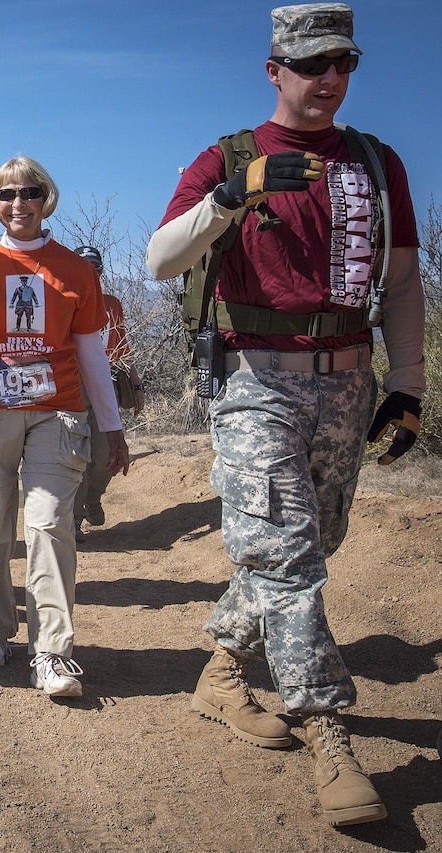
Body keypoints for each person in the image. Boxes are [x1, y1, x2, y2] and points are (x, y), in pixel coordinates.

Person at [146, 3, 425, 827]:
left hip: (347, 379)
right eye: (312, 65)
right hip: (252, 381)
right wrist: (234, 196)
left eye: (343, 62)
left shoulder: (378, 162)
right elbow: (163, 258)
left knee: (304, 541)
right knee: (289, 554)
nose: (329, 79)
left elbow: (402, 282)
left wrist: (407, 383)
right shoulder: (228, 157)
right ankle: (325, 725)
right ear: (276, 72)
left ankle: (223, 669)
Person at [0, 157, 129, 698]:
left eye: (30, 193)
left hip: (58, 412)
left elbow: (93, 357)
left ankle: (51, 651)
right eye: (6, 195)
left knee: (49, 524)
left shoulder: (76, 271)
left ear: (45, 198)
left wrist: (114, 429)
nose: (18, 204)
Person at [71, 245, 143, 539]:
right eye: (84, 267)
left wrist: (136, 385)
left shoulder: (111, 304)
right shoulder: (63, 302)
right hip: (72, 384)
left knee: (103, 454)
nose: (91, 273)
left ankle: (94, 496)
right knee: (75, 452)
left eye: (96, 268)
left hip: (107, 382)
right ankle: (73, 519)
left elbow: (122, 346)